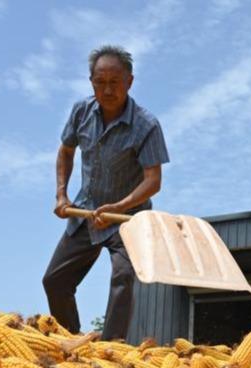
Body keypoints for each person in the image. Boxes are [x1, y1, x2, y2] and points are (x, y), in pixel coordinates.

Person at [43, 45, 169, 341]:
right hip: (86, 212)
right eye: (100, 82)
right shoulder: (81, 112)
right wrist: (61, 195)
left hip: (129, 218)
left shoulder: (146, 125)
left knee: (123, 277)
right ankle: (73, 340)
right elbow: (66, 151)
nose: (107, 89)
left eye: (115, 82)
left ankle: (111, 348)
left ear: (130, 82)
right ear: (91, 83)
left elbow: (153, 181)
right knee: (55, 280)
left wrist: (121, 207)